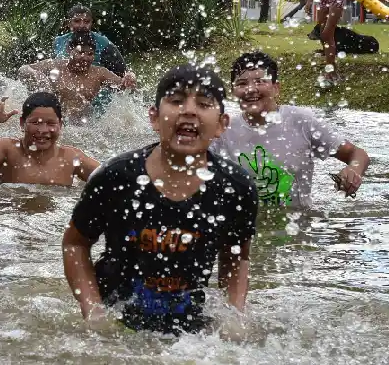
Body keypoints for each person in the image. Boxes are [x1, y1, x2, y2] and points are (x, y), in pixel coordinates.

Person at [61, 65, 258, 334]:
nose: (189, 111)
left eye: (203, 103)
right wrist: (94, 312)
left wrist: (233, 317)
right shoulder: (115, 177)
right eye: (176, 101)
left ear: (222, 124)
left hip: (192, 327)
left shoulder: (236, 187)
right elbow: (75, 244)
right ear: (154, 118)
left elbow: (236, 258)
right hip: (116, 319)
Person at [213, 51, 370, 209]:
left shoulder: (301, 121)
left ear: (276, 88)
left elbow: (357, 154)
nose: (250, 89)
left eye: (260, 81)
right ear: (233, 91)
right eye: (241, 84)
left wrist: (353, 170)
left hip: (298, 225)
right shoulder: (223, 131)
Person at [0, 92, 100, 186]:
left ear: (60, 125)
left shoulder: (71, 158)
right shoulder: (8, 150)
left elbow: (112, 179)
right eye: (35, 123)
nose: (43, 131)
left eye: (50, 124)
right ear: (22, 123)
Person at [19, 30, 136, 120]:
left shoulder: (100, 73)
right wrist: (35, 74)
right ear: (70, 50)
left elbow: (122, 86)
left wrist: (130, 78)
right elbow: (23, 69)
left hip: (85, 126)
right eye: (80, 52)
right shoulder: (54, 66)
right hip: (55, 121)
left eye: (90, 54)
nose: (85, 58)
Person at [52, 3, 128, 76]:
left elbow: (123, 72)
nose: (82, 25)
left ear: (91, 23)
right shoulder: (59, 41)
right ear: (68, 23)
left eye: (86, 22)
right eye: (77, 21)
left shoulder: (103, 43)